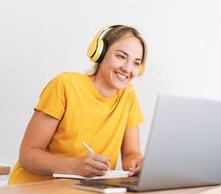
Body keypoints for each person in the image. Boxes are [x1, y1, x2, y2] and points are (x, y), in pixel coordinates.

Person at [8, 25, 147, 184]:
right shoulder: (65, 85)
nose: (128, 68)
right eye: (121, 57)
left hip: (82, 191)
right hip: (32, 190)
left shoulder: (128, 96)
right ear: (100, 53)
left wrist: (137, 164)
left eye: (136, 63)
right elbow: (28, 155)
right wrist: (75, 166)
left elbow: (131, 154)